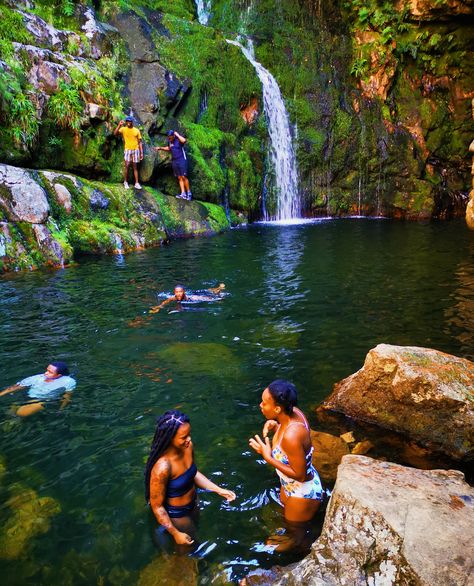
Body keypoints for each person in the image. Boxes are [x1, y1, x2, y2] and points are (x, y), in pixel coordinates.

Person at [249, 380, 323, 550]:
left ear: (277, 409)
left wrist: (268, 457)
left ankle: (304, 548)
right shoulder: (293, 412)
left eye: (265, 403)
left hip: (303, 492)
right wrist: (276, 425)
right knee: (283, 519)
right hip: (290, 485)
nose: (260, 405)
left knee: (296, 534)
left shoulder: (292, 435)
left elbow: (301, 475)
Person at [145, 410, 236, 546]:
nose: (189, 439)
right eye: (184, 437)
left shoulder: (188, 447)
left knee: (195, 533)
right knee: (190, 545)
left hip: (194, 502)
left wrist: (218, 490)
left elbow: (192, 474)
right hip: (178, 514)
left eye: (189, 434)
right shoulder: (162, 467)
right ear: (170, 438)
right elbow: (157, 506)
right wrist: (175, 533)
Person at [0, 361, 76, 417]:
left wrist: (60, 409)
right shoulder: (39, 377)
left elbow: (67, 396)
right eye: (47, 370)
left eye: (50, 372)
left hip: (41, 400)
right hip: (27, 396)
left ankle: (17, 421)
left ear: (59, 375)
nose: (46, 373)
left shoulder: (68, 381)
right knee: (8, 413)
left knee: (21, 413)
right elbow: (17, 386)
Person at [154, 130, 192, 200]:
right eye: (168, 137)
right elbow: (169, 148)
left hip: (181, 160)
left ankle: (189, 193)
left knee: (184, 176)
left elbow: (184, 141)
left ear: (173, 136)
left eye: (170, 137)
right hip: (175, 161)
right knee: (179, 177)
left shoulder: (178, 140)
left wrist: (177, 135)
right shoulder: (170, 142)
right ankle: (183, 194)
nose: (169, 139)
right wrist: (160, 148)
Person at [149, 283, 225, 314]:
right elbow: (166, 301)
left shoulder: (193, 298)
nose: (178, 294)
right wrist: (158, 307)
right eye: (177, 292)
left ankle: (219, 288)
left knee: (206, 292)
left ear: (184, 292)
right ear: (174, 292)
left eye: (180, 292)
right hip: (189, 297)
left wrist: (218, 298)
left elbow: (206, 298)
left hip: (196, 296)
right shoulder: (174, 297)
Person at [114, 116, 143, 189]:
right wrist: (119, 125)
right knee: (127, 166)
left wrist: (141, 152)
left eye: (129, 121)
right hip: (127, 150)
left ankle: (136, 183)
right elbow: (115, 133)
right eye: (127, 121)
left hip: (135, 150)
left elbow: (140, 142)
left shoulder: (136, 130)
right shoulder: (123, 129)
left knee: (135, 167)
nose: (128, 123)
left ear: (132, 122)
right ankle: (125, 182)